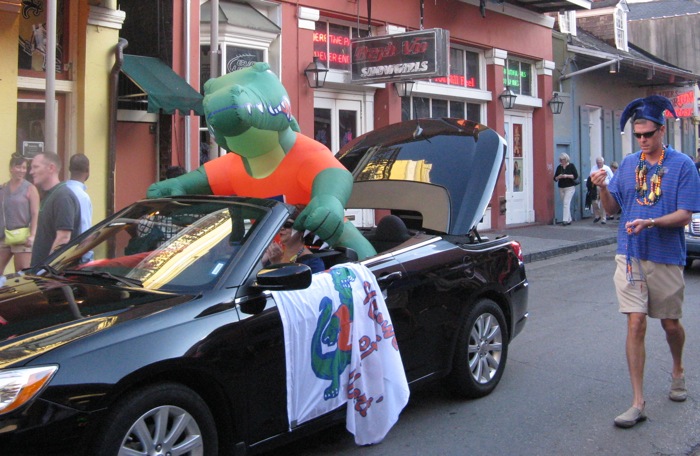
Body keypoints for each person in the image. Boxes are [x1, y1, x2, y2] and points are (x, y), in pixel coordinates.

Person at [591, 95, 700, 429]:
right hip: (630, 254)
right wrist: (602, 190)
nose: (642, 141)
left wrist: (651, 222)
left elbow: (685, 216)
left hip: (665, 255)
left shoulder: (682, 165)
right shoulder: (628, 165)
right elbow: (613, 209)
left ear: (661, 130)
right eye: (638, 135)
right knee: (635, 322)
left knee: (669, 325)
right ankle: (638, 402)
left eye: (648, 134)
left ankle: (677, 368)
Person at [29, 152, 81, 267]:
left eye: (35, 167)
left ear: (51, 168)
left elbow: (63, 238)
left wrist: (47, 269)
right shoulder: (49, 195)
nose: (31, 172)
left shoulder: (63, 196)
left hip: (52, 278)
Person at [0, 154, 40, 274]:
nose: (21, 170)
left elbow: (34, 213)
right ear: (11, 168)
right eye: (18, 167)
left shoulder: (30, 188)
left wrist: (32, 235)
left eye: (24, 168)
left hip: (22, 236)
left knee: (22, 272)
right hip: (4, 236)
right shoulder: (3, 189)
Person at [262, 206, 325, 274]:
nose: (282, 228)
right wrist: (261, 262)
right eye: (281, 224)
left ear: (302, 231)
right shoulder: (273, 256)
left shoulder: (313, 263)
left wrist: (276, 264)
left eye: (287, 225)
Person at [65, 154, 93, 263]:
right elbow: (85, 230)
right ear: (87, 170)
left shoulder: (62, 191)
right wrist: (88, 259)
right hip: (75, 258)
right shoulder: (82, 197)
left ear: (69, 169)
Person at [553, 153, 578, 226]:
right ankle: (569, 219)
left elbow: (575, 176)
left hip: (570, 187)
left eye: (563, 160)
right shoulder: (559, 167)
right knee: (565, 203)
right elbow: (555, 178)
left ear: (566, 159)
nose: (562, 161)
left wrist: (567, 175)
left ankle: (565, 220)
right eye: (560, 160)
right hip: (561, 187)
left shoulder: (571, 166)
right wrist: (559, 177)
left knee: (566, 203)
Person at [589, 156, 614, 224]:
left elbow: (612, 177)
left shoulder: (607, 168)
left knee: (603, 203)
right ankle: (598, 215)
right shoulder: (594, 168)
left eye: (600, 162)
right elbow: (591, 176)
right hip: (596, 186)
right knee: (594, 202)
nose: (599, 164)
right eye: (598, 162)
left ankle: (603, 219)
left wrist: (608, 184)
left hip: (604, 186)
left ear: (603, 162)